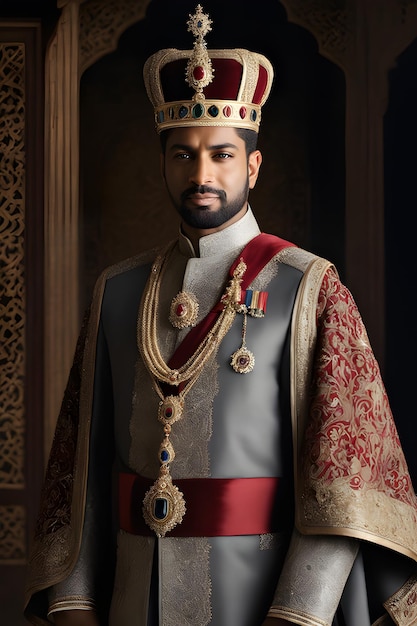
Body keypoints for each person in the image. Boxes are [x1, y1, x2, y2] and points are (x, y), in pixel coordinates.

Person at [24, 5, 417, 626]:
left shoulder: (311, 289)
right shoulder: (118, 290)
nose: (201, 173)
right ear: (163, 163)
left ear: (252, 166)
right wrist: (74, 607)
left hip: (260, 604)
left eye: (222, 155)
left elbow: (347, 492)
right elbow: (80, 475)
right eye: (182, 154)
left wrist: (296, 618)